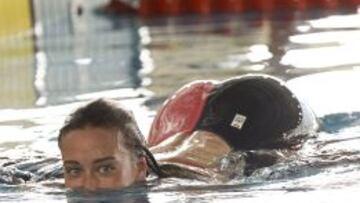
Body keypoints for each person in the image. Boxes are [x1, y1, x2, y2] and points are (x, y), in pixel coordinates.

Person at [58, 74, 318, 191]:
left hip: (262, 108)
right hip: (184, 118)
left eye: (105, 169)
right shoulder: (72, 178)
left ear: (140, 168)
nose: (88, 186)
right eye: (73, 170)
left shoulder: (193, 184)